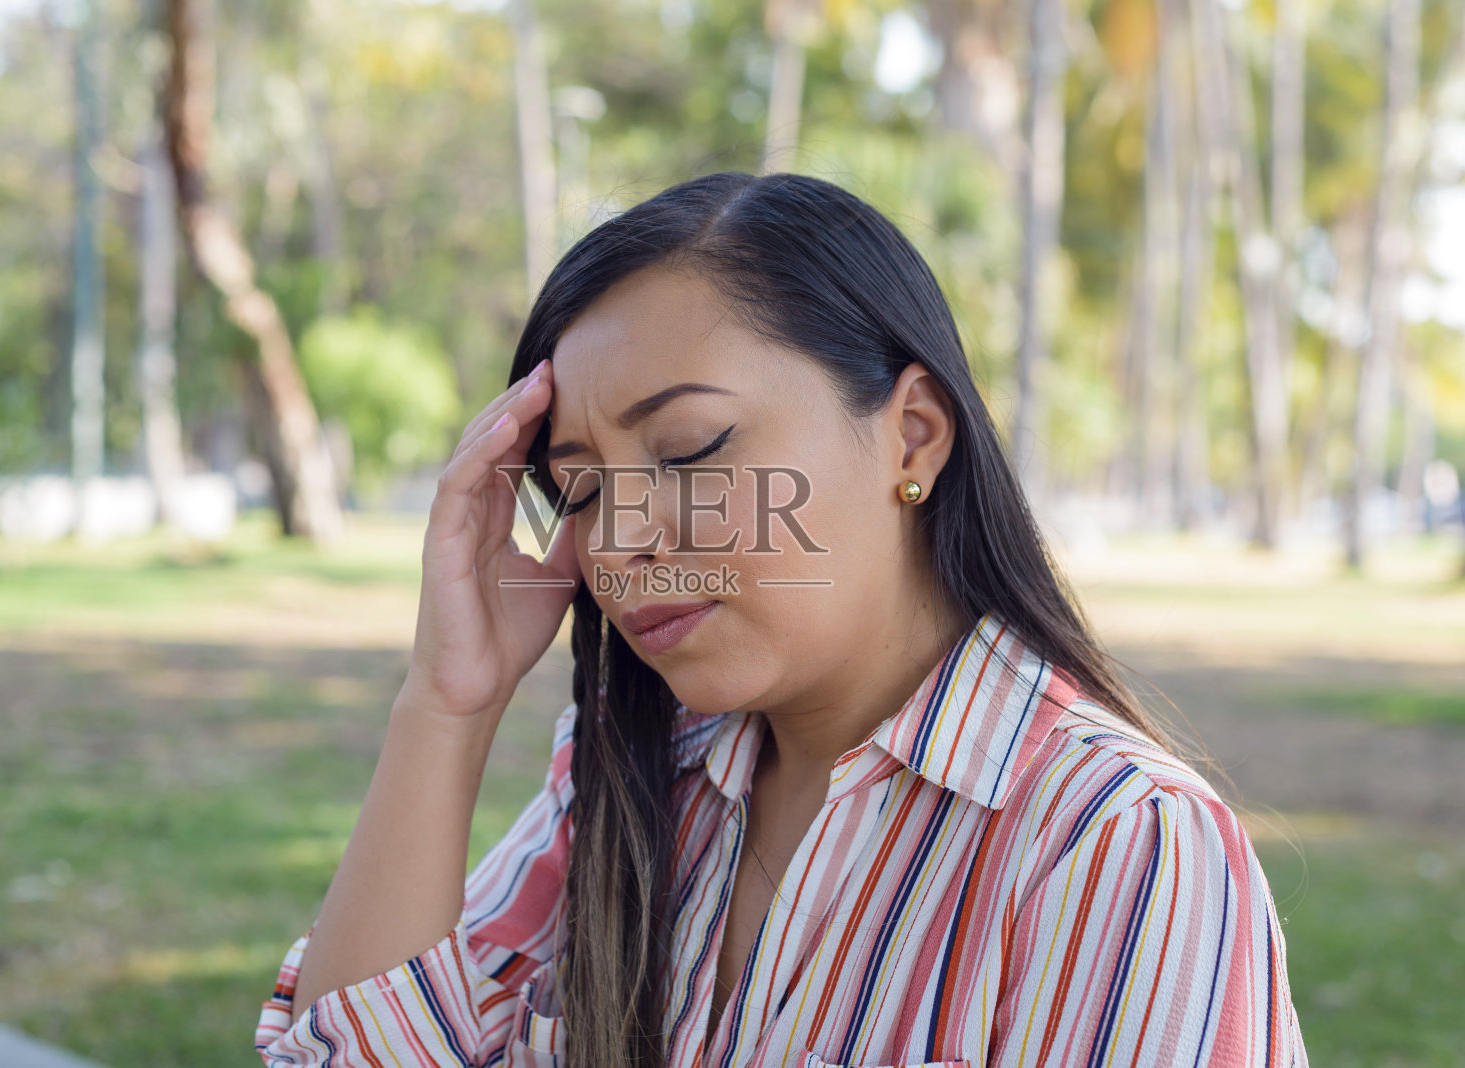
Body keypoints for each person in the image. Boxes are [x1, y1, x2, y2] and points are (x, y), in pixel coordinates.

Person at [255, 172, 1307, 1067]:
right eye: (576, 491)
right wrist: (446, 705)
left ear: (913, 436)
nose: (617, 540)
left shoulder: (1116, 846)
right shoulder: (632, 776)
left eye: (689, 449)